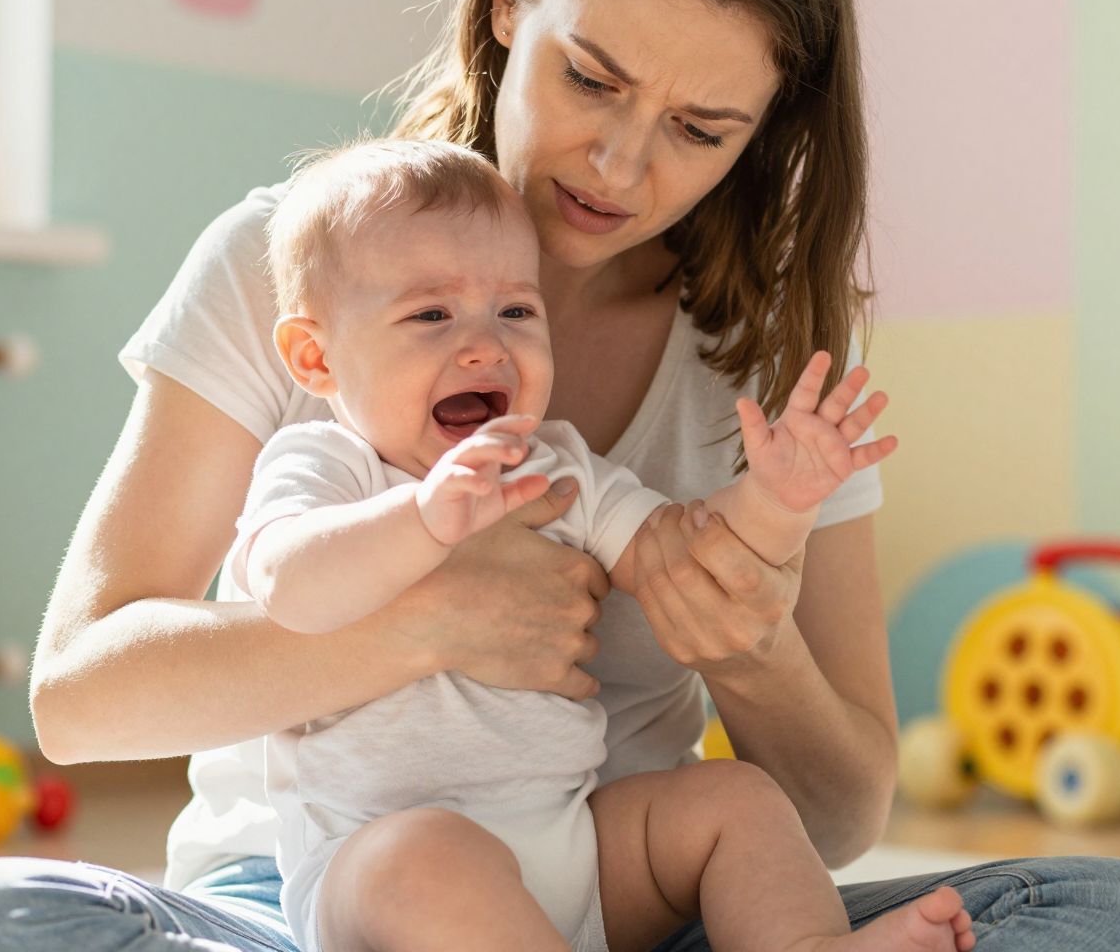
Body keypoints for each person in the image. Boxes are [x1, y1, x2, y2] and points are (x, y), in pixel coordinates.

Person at [0, 0, 1120, 951]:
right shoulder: (293, 268)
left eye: (699, 129)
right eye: (591, 78)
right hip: (307, 904)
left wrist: (750, 648)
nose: (620, 165)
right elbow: (78, 702)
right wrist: (428, 626)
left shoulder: (769, 348)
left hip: (613, 884)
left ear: (766, 130)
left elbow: (833, 815)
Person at [230, 137, 966, 952]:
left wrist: (778, 500)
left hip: (574, 852)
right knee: (423, 858)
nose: (485, 345)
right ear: (316, 357)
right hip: (383, 873)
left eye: (516, 312)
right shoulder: (326, 467)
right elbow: (288, 584)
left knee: (735, 799)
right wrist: (422, 519)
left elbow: (681, 554)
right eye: (431, 315)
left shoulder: (556, 466)